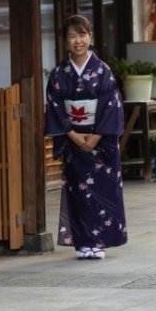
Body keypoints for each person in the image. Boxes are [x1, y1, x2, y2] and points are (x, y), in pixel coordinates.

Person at [45, 14, 127, 259]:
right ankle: (83, 243)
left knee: (103, 191)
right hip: (73, 143)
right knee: (77, 192)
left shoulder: (103, 72)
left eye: (82, 35)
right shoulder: (59, 74)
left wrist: (94, 137)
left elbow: (111, 106)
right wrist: (73, 135)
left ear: (90, 37)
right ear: (65, 41)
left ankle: (99, 242)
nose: (77, 40)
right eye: (72, 36)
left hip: (100, 143)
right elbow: (55, 106)